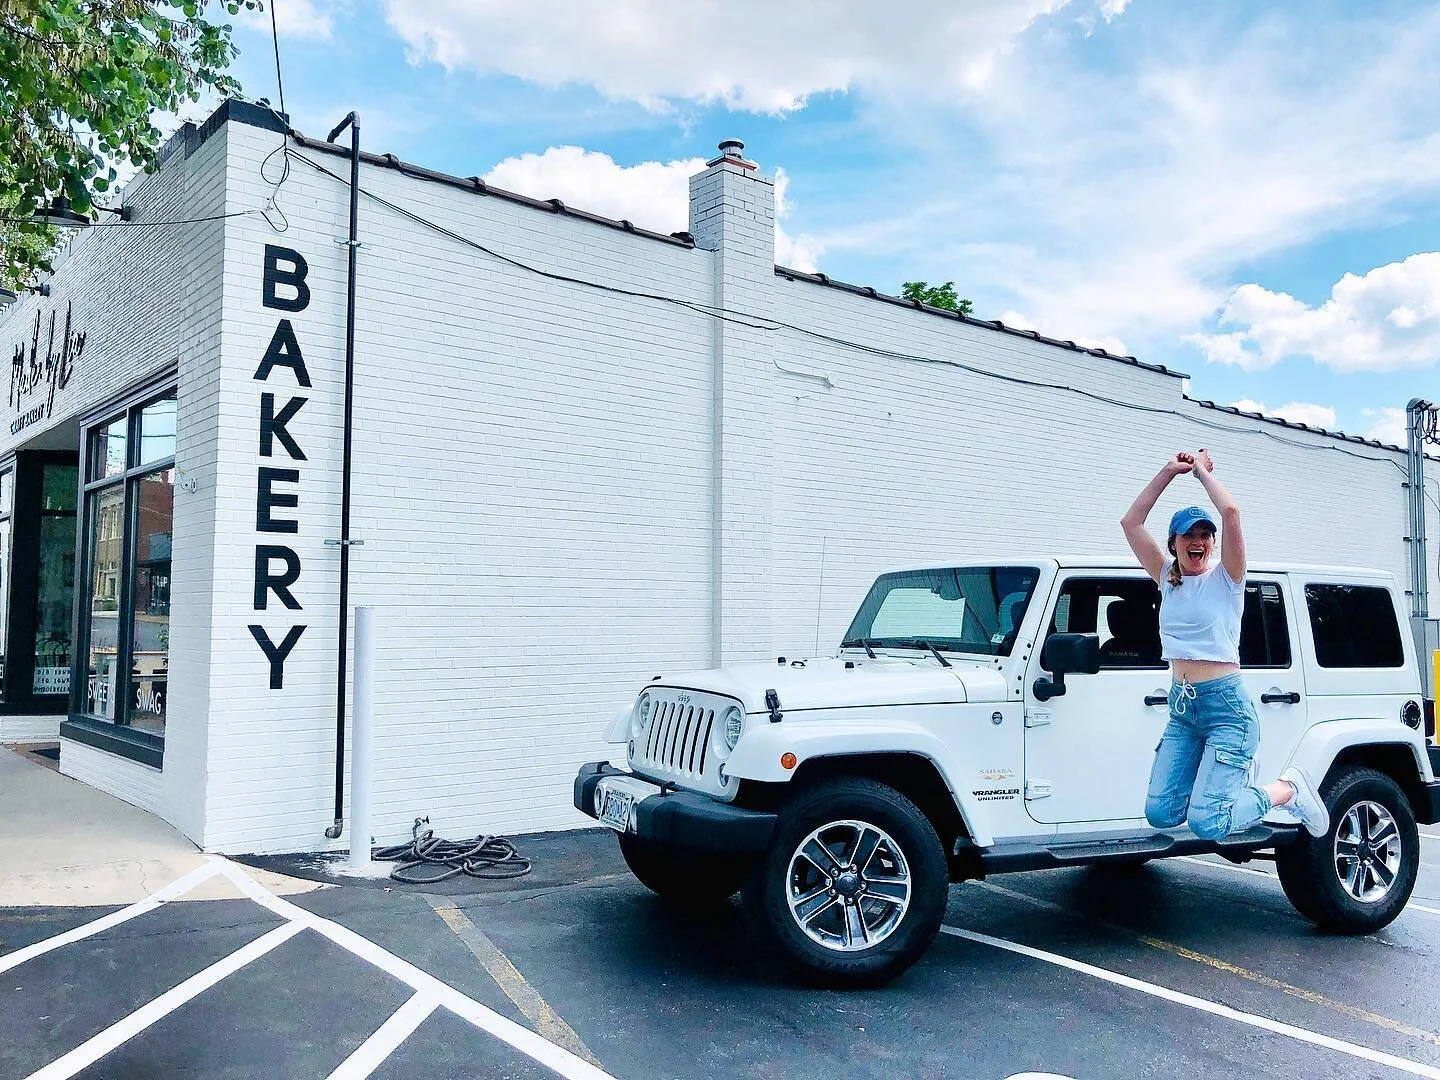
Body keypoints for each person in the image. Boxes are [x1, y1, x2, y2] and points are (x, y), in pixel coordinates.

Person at [1120, 448, 1329, 840]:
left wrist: (1200, 471)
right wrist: (1168, 470)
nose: (1197, 541)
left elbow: (1230, 512)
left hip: (1227, 709)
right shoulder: (1166, 577)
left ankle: (1288, 790)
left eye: (1204, 534)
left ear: (1213, 544)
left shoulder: (1227, 578)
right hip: (1183, 709)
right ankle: (1224, 794)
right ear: (1175, 542)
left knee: (1208, 824)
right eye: (1189, 534)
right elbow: (1130, 522)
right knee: (1161, 813)